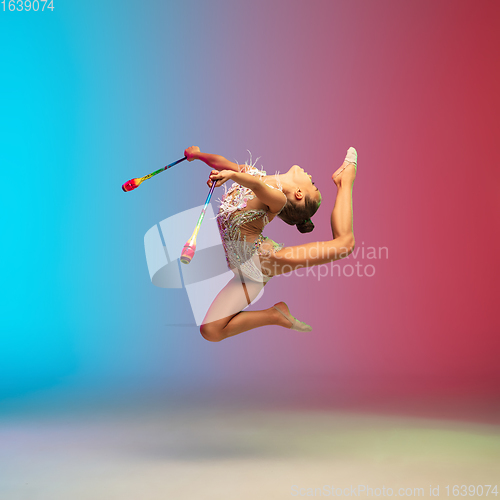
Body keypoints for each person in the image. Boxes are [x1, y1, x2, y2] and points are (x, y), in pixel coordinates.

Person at [183, 146, 357, 342]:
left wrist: (231, 175)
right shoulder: (253, 173)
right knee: (211, 331)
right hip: (242, 273)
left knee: (344, 245)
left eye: (313, 184)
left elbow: (257, 187)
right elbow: (222, 162)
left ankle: (345, 180)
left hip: (262, 261)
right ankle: (274, 315)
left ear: (299, 193)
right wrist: (198, 156)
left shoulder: (277, 200)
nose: (311, 176)